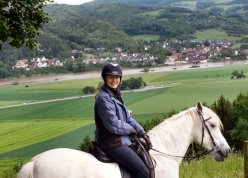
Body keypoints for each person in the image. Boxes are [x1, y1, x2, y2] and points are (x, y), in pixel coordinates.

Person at [94, 63, 152, 178]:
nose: (114, 80)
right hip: (112, 143)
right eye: (111, 77)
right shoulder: (103, 99)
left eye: (117, 77)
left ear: (120, 79)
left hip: (122, 141)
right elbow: (113, 124)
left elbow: (128, 118)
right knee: (143, 172)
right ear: (104, 78)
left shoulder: (115, 95)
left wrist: (142, 132)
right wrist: (132, 130)